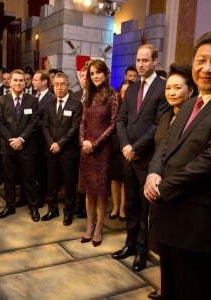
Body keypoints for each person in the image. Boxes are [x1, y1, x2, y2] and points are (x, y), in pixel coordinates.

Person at [144, 31, 211, 300]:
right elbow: (165, 144)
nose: (208, 68)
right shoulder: (189, 105)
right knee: (170, 285)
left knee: (192, 288)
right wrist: (152, 173)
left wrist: (163, 188)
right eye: (202, 60)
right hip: (169, 216)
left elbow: (208, 162)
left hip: (197, 222)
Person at [112, 44, 170, 271]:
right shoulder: (133, 88)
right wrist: (126, 145)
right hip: (128, 158)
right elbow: (121, 120)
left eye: (145, 60)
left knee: (145, 210)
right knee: (132, 206)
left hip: (146, 159)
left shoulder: (162, 87)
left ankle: (141, 252)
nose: (141, 64)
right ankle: (130, 245)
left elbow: (158, 124)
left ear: (155, 61)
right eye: (138, 60)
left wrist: (136, 147)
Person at [147, 63, 197, 300]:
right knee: (161, 242)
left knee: (181, 252)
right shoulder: (166, 115)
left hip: (180, 190)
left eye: (178, 88)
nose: (172, 93)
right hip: (158, 187)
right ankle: (165, 287)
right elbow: (160, 148)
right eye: (168, 88)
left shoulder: (195, 118)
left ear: (191, 90)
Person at [78, 59, 121, 246]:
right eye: (92, 73)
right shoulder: (88, 95)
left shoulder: (113, 95)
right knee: (89, 191)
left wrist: (94, 145)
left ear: (105, 73)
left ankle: (98, 228)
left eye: (98, 73)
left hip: (102, 150)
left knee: (101, 191)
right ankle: (89, 224)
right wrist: (82, 142)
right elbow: (82, 122)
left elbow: (113, 125)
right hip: (86, 149)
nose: (95, 76)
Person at [0, 69, 40, 222]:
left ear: (24, 82)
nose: (18, 83)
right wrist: (12, 140)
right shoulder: (1, 100)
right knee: (9, 179)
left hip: (26, 147)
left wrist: (21, 139)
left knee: (29, 178)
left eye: (21, 80)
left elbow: (33, 122)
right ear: (9, 82)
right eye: (15, 80)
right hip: (8, 147)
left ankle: (33, 207)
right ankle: (10, 206)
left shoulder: (32, 100)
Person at [42, 72, 83, 226]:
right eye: (56, 84)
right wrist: (51, 143)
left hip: (67, 152)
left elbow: (74, 128)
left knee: (69, 183)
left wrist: (60, 144)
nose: (59, 87)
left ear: (68, 85)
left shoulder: (76, 104)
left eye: (62, 84)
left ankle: (68, 212)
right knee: (51, 182)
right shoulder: (49, 104)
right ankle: (52, 209)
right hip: (51, 151)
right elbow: (45, 126)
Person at [109, 80, 133, 222]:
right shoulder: (115, 106)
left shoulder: (135, 107)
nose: (125, 94)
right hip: (114, 149)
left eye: (128, 91)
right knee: (114, 180)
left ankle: (123, 208)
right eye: (123, 91)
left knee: (125, 181)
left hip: (128, 149)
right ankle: (115, 207)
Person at [32, 70, 56, 207]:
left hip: (44, 141)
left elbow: (50, 121)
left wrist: (32, 123)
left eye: (36, 80)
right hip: (33, 141)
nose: (33, 82)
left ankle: (42, 198)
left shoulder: (51, 98)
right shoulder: (34, 96)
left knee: (43, 172)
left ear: (44, 82)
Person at [73, 66, 88, 219]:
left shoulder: (98, 96)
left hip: (90, 143)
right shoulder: (75, 95)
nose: (84, 79)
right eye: (82, 76)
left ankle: (84, 206)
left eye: (86, 76)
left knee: (86, 176)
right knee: (76, 175)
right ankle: (76, 204)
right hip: (74, 142)